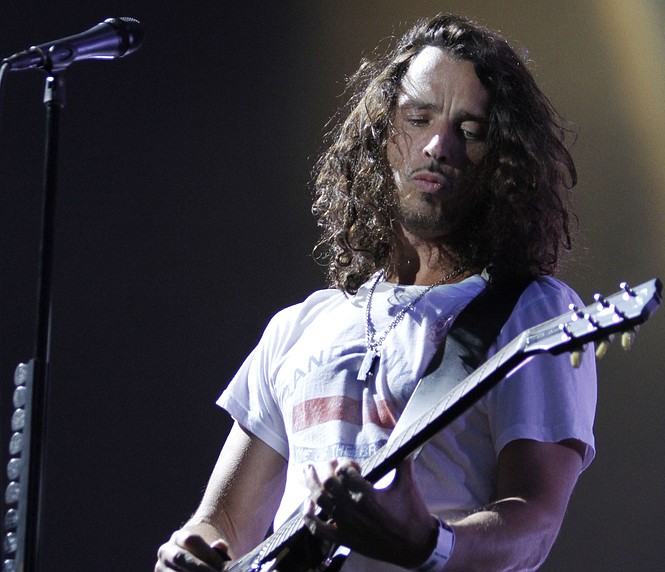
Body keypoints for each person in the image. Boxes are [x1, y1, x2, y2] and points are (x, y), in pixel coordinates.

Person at [156, 13, 596, 572]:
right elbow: (223, 522)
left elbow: (533, 523)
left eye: (470, 130)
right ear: (385, 134)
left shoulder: (532, 312)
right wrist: (188, 551)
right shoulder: (300, 326)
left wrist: (426, 542)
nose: (438, 144)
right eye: (419, 116)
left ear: (503, 160)